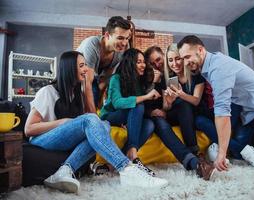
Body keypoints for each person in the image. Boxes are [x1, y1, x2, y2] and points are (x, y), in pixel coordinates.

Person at [24, 51, 168, 193]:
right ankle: (126, 169)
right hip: (42, 139)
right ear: (69, 69)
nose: (86, 69)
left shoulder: (76, 93)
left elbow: (94, 120)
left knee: (104, 125)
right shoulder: (47, 91)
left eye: (85, 65)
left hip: (62, 139)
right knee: (94, 121)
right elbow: (29, 129)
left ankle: (64, 171)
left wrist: (87, 88)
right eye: (81, 66)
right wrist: (63, 122)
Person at [177, 35, 254, 171]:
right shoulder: (209, 64)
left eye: (187, 56)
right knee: (238, 152)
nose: (185, 62)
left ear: (200, 50)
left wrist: (221, 154)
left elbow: (222, 112)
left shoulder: (218, 68)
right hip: (247, 113)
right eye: (183, 58)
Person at [144, 45, 215, 181]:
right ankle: (195, 162)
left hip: (189, 113)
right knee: (163, 120)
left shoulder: (189, 75)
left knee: (184, 105)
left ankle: (195, 154)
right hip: (165, 116)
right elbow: (164, 107)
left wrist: (178, 97)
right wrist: (167, 103)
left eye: (159, 60)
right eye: (153, 63)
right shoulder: (162, 79)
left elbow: (195, 101)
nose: (157, 65)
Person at [100, 48, 161, 176]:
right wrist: (145, 97)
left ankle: (115, 162)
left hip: (126, 116)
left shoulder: (138, 81)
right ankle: (133, 155)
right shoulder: (116, 78)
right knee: (138, 106)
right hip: (110, 116)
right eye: (138, 62)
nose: (143, 65)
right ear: (130, 63)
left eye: (143, 62)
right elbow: (117, 103)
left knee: (150, 124)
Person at [77, 16, 131, 111]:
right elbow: (87, 83)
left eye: (127, 38)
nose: (124, 43)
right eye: (120, 38)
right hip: (75, 77)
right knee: (89, 98)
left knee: (96, 94)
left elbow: (105, 79)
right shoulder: (92, 45)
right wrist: (93, 115)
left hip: (94, 77)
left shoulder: (123, 49)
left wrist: (99, 104)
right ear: (107, 35)